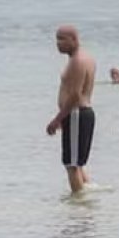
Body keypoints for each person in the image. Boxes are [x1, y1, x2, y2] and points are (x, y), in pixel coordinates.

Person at [46, 26, 97, 193]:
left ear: (74, 40)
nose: (58, 44)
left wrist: (57, 119)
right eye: (57, 39)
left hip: (77, 113)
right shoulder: (85, 58)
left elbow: (75, 95)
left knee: (71, 165)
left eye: (62, 39)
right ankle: (86, 198)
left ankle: (78, 207)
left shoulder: (77, 61)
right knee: (77, 164)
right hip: (79, 114)